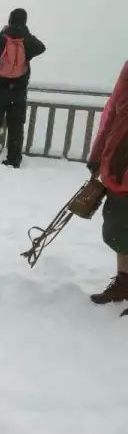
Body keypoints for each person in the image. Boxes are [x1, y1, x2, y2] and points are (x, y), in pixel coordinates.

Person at [0, 8, 47, 167]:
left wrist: (4, 31)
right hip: (18, 92)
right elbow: (41, 47)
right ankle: (14, 159)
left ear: (10, 19)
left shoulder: (1, 38)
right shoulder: (27, 41)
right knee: (16, 126)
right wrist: (27, 34)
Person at [88, 61, 128, 307]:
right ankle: (124, 283)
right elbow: (112, 111)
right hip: (119, 169)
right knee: (117, 231)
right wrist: (97, 154)